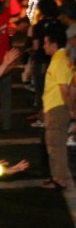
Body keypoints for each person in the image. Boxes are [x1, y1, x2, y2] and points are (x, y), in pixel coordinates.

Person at [43, 24, 76, 189]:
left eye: (46, 43)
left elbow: (64, 89)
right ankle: (57, 176)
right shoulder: (64, 60)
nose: (44, 46)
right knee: (56, 143)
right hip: (56, 106)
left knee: (56, 144)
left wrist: (71, 109)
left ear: (54, 45)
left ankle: (59, 178)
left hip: (57, 107)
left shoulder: (59, 62)